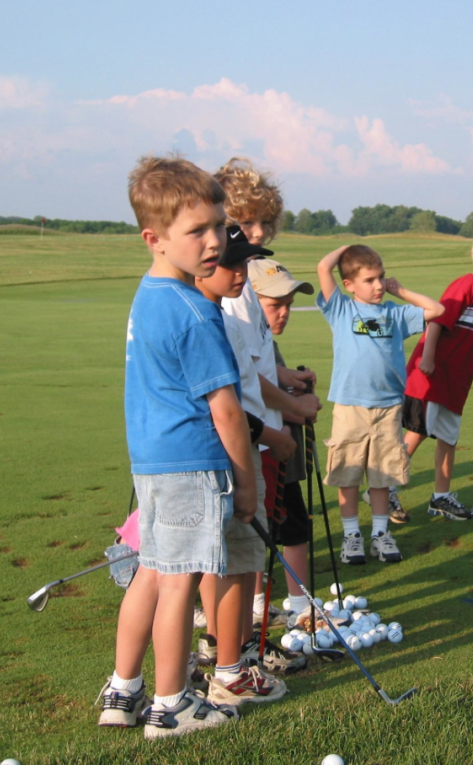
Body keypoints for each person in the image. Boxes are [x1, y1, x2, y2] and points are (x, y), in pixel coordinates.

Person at [98, 155, 253, 738]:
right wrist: (249, 484)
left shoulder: (150, 294)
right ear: (154, 239)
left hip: (153, 463)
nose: (215, 242)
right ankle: (172, 705)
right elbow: (227, 410)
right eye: (197, 231)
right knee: (181, 582)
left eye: (217, 225)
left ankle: (125, 689)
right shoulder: (195, 309)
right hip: (191, 463)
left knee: (154, 575)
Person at [213, 158, 321, 634]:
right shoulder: (234, 286)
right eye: (243, 222)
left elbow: (259, 361)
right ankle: (230, 646)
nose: (255, 233)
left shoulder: (252, 280)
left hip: (262, 430)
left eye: (263, 222)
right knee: (242, 543)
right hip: (248, 436)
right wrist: (294, 406)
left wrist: (286, 378)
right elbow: (241, 379)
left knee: (255, 545)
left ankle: (248, 633)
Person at [193, 237, 301, 705]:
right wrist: (275, 432)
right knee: (228, 564)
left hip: (248, 443)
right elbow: (228, 403)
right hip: (236, 451)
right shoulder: (214, 315)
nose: (244, 269)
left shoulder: (232, 312)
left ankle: (231, 660)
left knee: (239, 562)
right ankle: (226, 666)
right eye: (235, 261)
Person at [316, 244, 444, 564]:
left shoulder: (394, 313)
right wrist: (345, 249)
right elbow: (323, 268)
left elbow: (436, 310)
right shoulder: (342, 310)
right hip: (350, 406)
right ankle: (351, 536)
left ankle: (379, 534)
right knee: (347, 474)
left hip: (388, 407)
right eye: (369, 279)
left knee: (382, 477)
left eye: (381, 278)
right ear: (349, 285)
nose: (377, 286)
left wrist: (399, 290)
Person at [400, 230, 473, 521]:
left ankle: (440, 497)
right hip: (432, 377)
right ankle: (384, 487)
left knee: (448, 438)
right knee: (417, 431)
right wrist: (426, 358)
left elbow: (462, 331)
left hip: (453, 383)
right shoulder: (467, 285)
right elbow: (438, 320)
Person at [247, 257, 319, 625]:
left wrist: (293, 384)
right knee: (265, 531)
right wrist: (298, 408)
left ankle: (275, 605)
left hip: (274, 445)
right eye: (276, 304)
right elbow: (250, 396)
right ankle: (284, 606)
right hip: (260, 449)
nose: (285, 312)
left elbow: (268, 381)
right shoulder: (242, 329)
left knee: (281, 526)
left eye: (289, 304)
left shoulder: (261, 336)